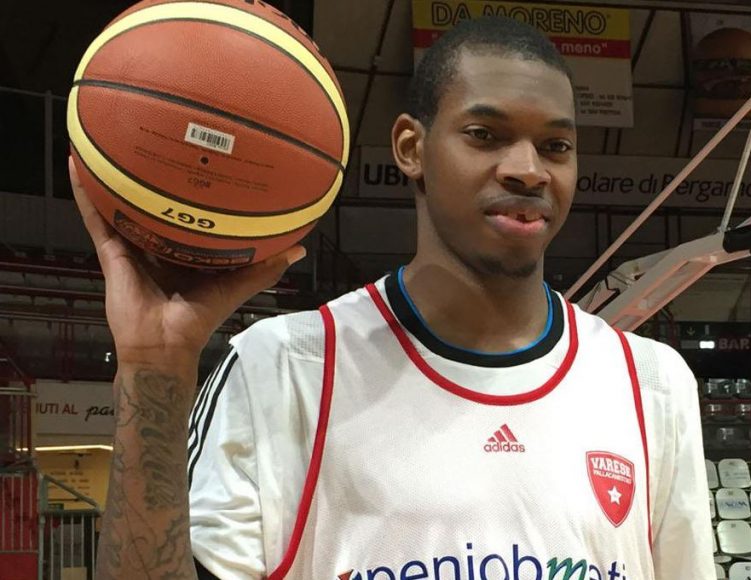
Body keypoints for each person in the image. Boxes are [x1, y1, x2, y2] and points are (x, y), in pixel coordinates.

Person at [74, 15, 715, 580]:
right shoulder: (282, 369)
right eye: (485, 134)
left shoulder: (651, 383)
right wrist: (155, 369)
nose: (528, 169)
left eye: (557, 146)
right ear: (411, 148)